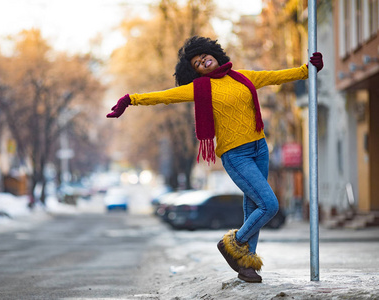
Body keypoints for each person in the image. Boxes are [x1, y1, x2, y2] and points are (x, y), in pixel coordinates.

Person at [106, 36, 323, 283]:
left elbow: (275, 76)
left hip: (260, 148)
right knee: (269, 205)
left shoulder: (243, 77)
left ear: (214, 53)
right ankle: (233, 242)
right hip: (235, 154)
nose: (203, 61)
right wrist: (130, 99)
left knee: (253, 206)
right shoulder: (201, 90)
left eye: (204, 56)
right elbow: (165, 96)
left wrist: (308, 70)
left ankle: (247, 264)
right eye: (197, 63)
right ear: (195, 72)